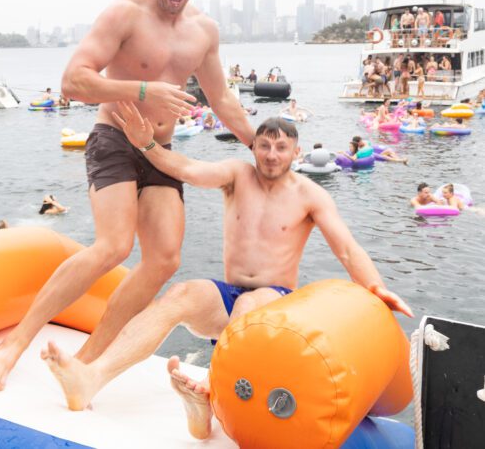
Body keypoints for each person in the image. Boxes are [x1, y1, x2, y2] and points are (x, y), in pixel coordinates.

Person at [0, 0, 256, 390]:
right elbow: (73, 81)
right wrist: (145, 91)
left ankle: (85, 364)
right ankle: (14, 343)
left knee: (165, 260)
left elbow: (223, 99)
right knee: (113, 246)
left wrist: (264, 148)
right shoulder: (124, 14)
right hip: (114, 136)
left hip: (160, 152)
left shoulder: (203, 31)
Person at [41, 108, 412, 437]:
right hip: (229, 296)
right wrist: (147, 147)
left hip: (276, 302)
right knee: (180, 294)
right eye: (264, 146)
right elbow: (187, 169)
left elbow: (346, 248)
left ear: (296, 153)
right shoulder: (237, 176)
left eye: (282, 148)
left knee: (251, 302)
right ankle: (92, 378)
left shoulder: (310, 195)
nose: (271, 154)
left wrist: (376, 287)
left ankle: (210, 396)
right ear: (253, 149)